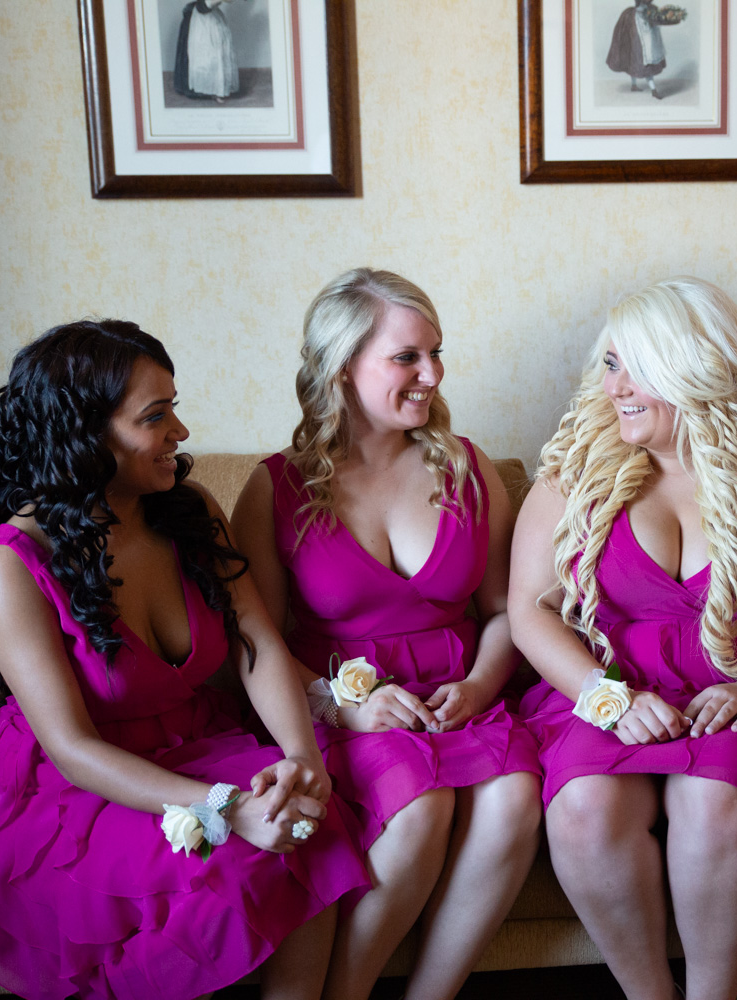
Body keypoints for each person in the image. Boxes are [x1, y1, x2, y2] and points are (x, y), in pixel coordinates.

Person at [0, 321, 369, 1000]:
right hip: (82, 790)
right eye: (156, 417)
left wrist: (302, 760)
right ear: (85, 434)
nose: (181, 433)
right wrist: (225, 806)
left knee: (310, 823)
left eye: (174, 407)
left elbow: (259, 646)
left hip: (199, 742)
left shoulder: (189, 510)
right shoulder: (12, 564)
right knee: (229, 870)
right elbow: (70, 748)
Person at [509, 277, 737, 1000]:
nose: (617, 387)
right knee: (583, 810)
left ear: (694, 367)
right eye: (609, 364)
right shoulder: (574, 471)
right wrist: (605, 699)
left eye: (636, 366)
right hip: (605, 697)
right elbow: (528, 612)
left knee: (715, 806)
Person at [232, 268, 542, 1000]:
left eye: (436, 353)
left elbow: (505, 612)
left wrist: (477, 685)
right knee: (422, 803)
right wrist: (341, 708)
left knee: (515, 799)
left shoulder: (467, 467)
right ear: (342, 366)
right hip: (339, 711)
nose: (432, 374)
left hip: (460, 699)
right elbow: (255, 648)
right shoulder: (274, 487)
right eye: (408, 357)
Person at [173, 0, 240, 102]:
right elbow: (204, 5)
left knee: (215, 52)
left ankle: (216, 88)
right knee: (205, 54)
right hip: (201, 19)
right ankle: (207, 87)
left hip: (210, 15)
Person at [606, 0, 668, 98]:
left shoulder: (652, 9)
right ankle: (653, 90)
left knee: (638, 58)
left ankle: (634, 86)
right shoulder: (631, 14)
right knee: (638, 59)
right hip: (638, 25)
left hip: (646, 24)